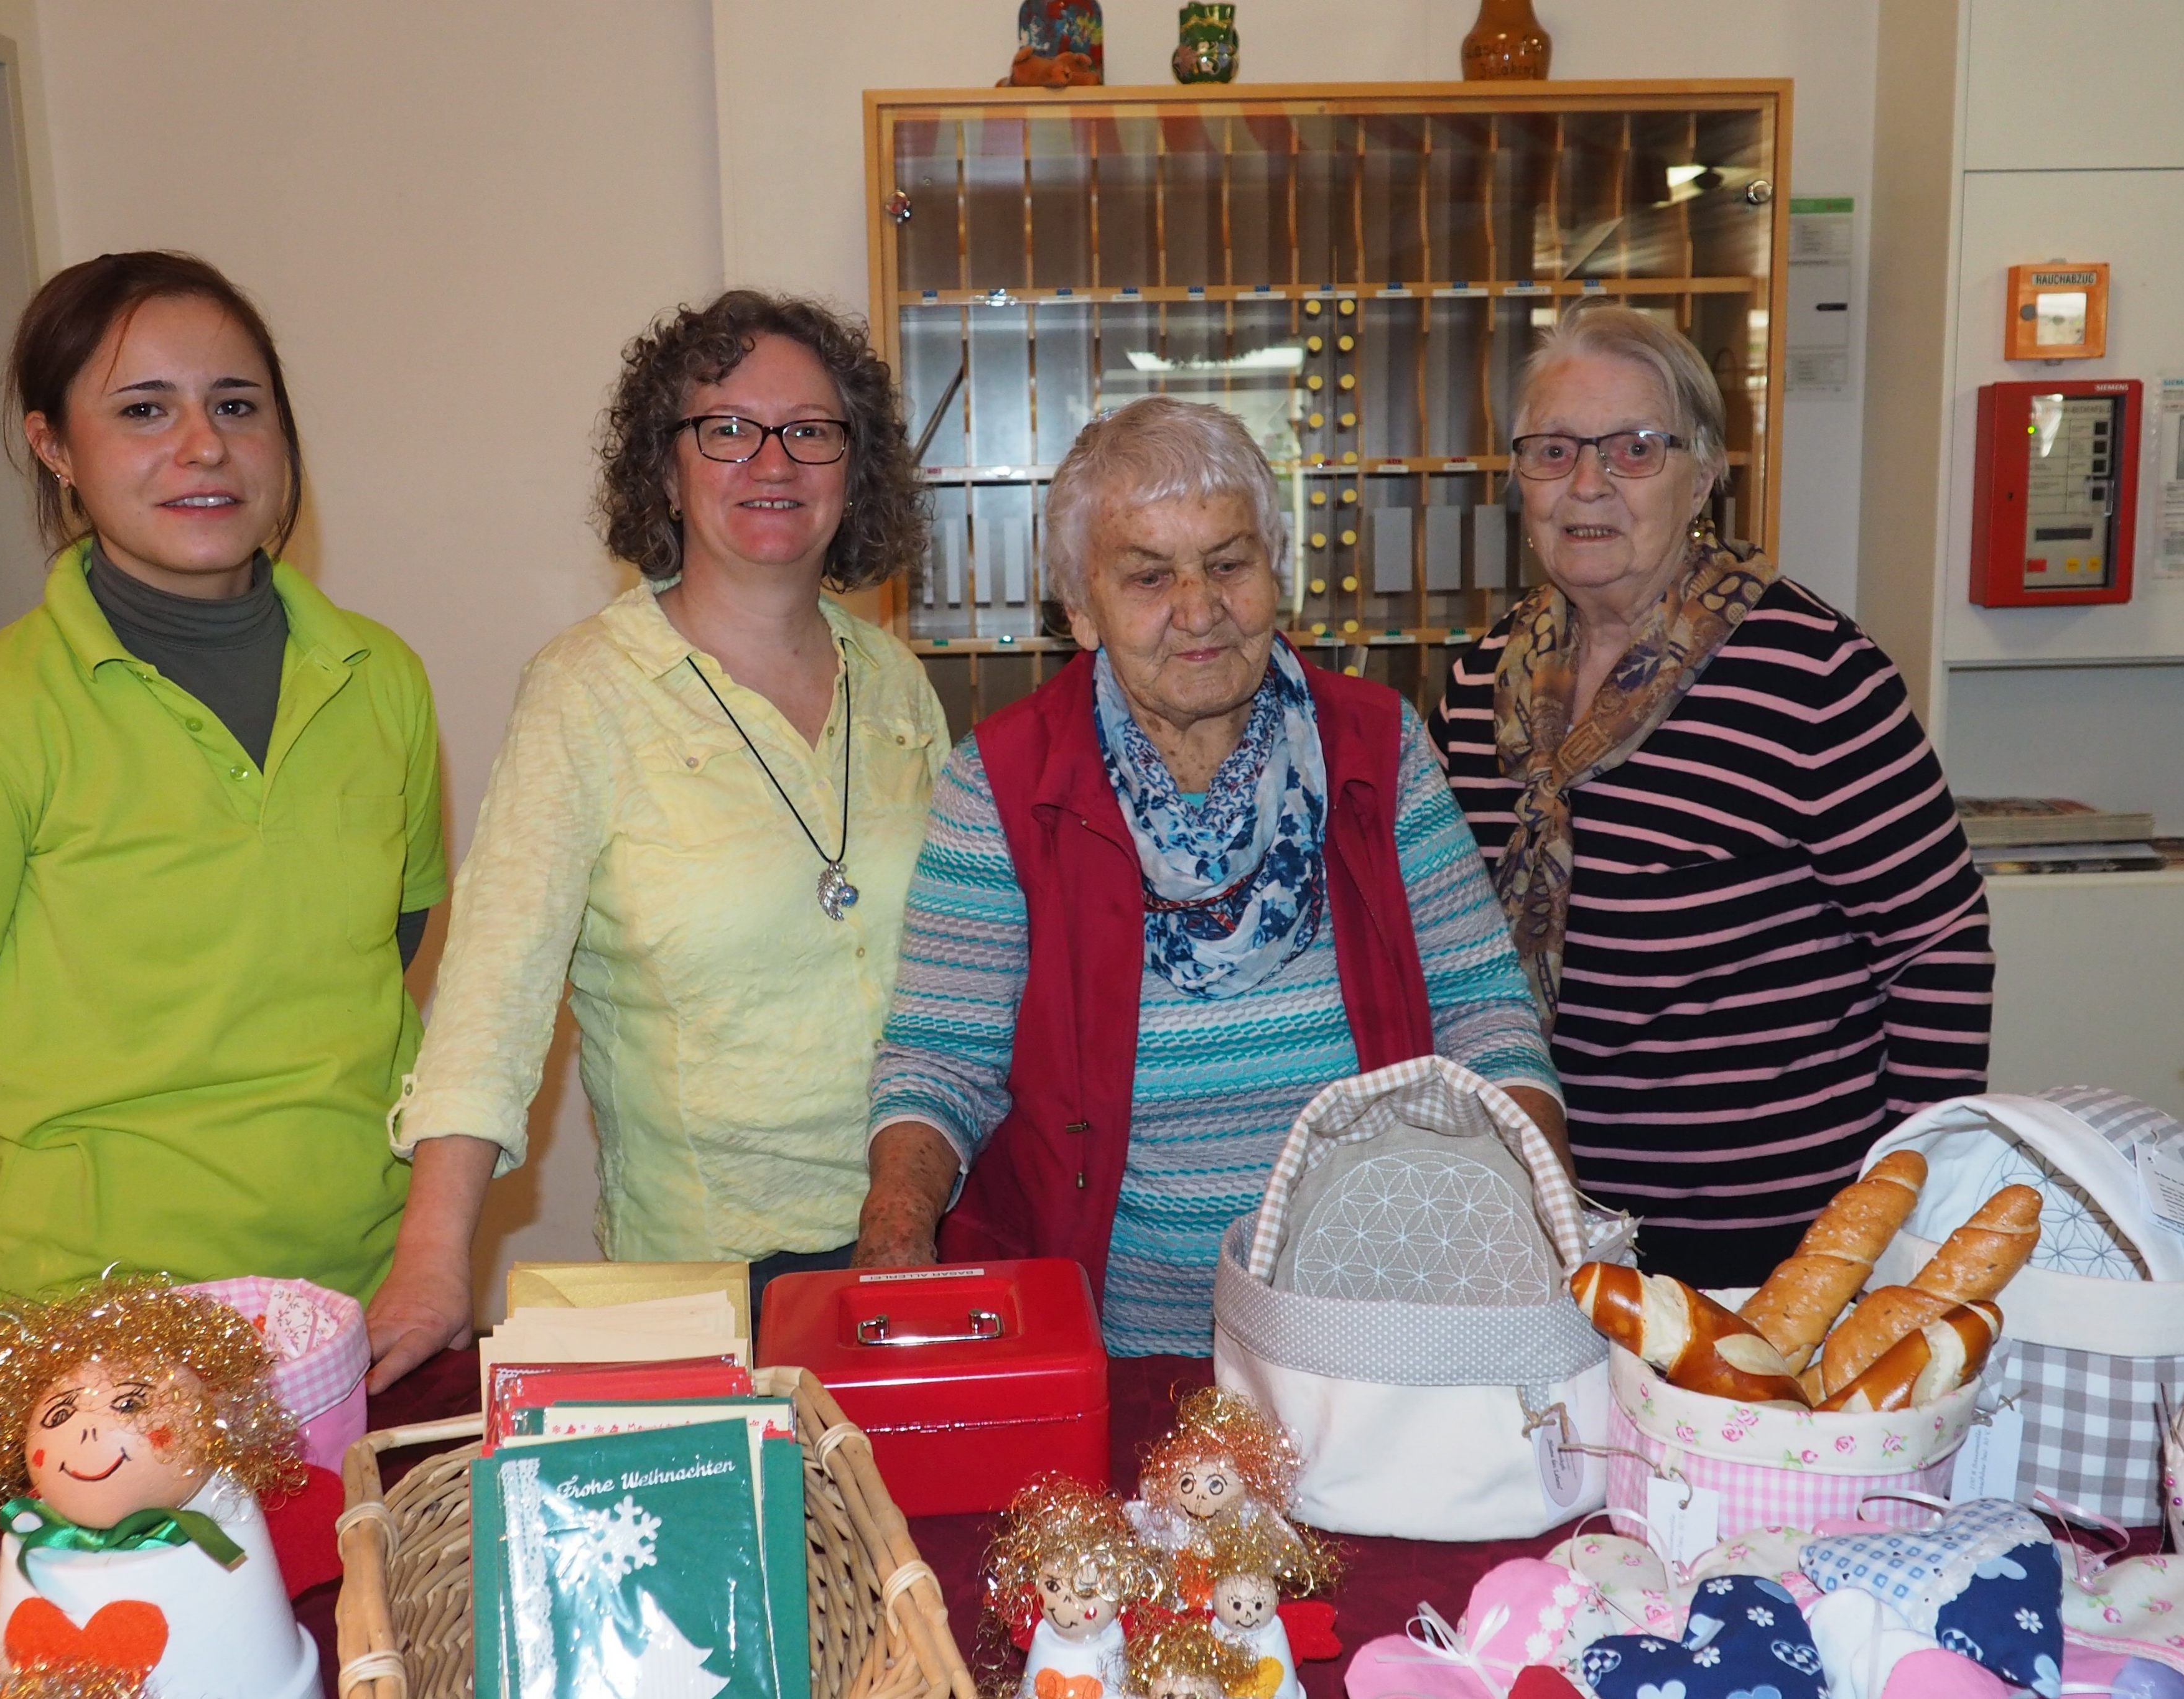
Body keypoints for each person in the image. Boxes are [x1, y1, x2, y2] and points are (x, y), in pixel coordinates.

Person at [860, 395, 1562, 1354]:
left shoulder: (1376, 745)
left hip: (1371, 1320)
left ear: (1276, 572)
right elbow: (942, 1063)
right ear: (1081, 609)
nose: (1199, 612)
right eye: (1148, 577)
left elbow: (1483, 1008)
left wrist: (1545, 1228)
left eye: (1228, 564)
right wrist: (898, 1236)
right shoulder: (1006, 781)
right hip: (1107, 1336)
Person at [0, 253, 458, 1383]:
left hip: (364, 1305)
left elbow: (388, 954)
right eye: (142, 411)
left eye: (235, 405)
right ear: (52, 446)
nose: (202, 446)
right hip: (92, 1334)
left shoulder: (382, 678)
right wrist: (61, 1202)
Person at [390, 290, 949, 1336]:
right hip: (708, 1280)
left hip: (919, 1235)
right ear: (665, 465)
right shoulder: (585, 689)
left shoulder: (895, 680)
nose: (772, 463)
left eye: (811, 432)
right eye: (727, 430)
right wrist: (430, 1260)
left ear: (853, 468)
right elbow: (491, 997)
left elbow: (966, 962)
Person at [1432, 301, 1993, 1289]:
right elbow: (1443, 944)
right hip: (1536, 1222)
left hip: (1773, 1242)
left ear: (1702, 476)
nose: (1588, 484)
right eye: (1552, 450)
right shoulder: (1479, 685)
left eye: (1635, 449)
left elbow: (1937, 945)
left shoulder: (1810, 672)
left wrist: (1903, 1201)